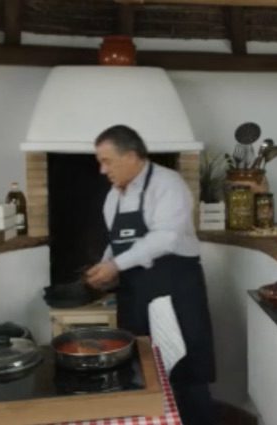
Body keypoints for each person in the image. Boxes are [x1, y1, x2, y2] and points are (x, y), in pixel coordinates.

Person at [85, 125, 216, 425]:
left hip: (176, 290)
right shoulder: (113, 197)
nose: (102, 169)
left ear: (131, 156)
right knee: (140, 368)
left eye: (107, 161)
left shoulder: (169, 185)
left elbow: (165, 238)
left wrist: (115, 266)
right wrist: (106, 265)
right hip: (135, 294)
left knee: (186, 372)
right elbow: (116, 241)